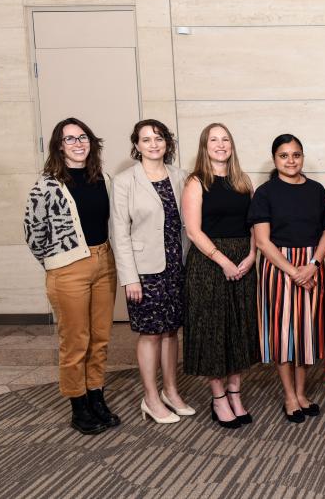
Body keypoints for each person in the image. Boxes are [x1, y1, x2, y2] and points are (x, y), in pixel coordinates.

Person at [24, 117, 120, 435]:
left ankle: (96, 396)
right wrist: (58, 263)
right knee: (75, 340)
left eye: (83, 137)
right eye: (70, 139)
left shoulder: (101, 177)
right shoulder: (47, 184)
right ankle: (78, 405)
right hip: (68, 270)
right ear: (58, 146)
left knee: (100, 338)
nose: (78, 143)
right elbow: (33, 233)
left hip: (104, 262)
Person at [111, 119, 192, 424]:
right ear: (136, 145)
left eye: (158, 138)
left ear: (167, 143)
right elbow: (119, 232)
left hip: (177, 265)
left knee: (171, 331)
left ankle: (171, 391)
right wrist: (129, 277)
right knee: (151, 334)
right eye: (146, 139)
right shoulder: (124, 181)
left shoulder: (181, 176)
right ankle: (150, 397)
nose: (153, 144)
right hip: (145, 271)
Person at [181, 123, 261, 429]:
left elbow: (254, 223)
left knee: (239, 330)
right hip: (209, 264)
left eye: (225, 139)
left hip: (244, 261)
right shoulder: (196, 181)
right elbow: (193, 230)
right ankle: (218, 398)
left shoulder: (243, 181)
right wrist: (223, 260)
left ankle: (235, 392)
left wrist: (252, 254)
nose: (220, 144)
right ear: (204, 146)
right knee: (213, 332)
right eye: (214, 140)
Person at [249, 134, 325, 424]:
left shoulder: (316, 190)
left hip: (312, 266)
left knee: (306, 333)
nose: (291, 160)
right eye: (284, 156)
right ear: (275, 159)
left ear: (302, 157)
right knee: (283, 335)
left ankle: (302, 392)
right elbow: (262, 241)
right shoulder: (265, 192)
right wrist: (293, 270)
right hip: (279, 268)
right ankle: (289, 395)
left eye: (296, 155)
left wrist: (313, 264)